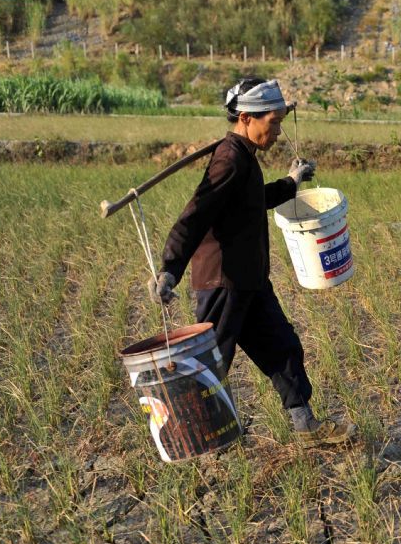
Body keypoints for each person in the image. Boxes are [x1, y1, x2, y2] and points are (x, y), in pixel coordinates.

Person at [148, 77, 356, 448]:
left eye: (278, 122)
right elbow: (195, 214)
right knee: (211, 362)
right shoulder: (229, 159)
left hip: (250, 279)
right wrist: (170, 268)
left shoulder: (243, 157)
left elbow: (252, 200)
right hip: (224, 280)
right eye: (272, 123)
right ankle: (190, 437)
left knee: (282, 347)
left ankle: (305, 424)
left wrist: (291, 182)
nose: (276, 131)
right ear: (246, 118)